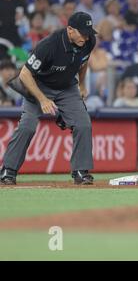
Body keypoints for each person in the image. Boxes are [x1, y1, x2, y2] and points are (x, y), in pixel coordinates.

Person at [0, 12, 97, 185]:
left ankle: (80, 172)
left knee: (83, 124)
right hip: (39, 86)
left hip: (67, 87)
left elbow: (83, 61)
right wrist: (43, 99)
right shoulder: (49, 45)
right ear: (70, 30)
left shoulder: (88, 41)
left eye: (88, 32)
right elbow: (24, 74)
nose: (86, 36)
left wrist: (81, 84)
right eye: (82, 32)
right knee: (27, 127)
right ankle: (8, 169)